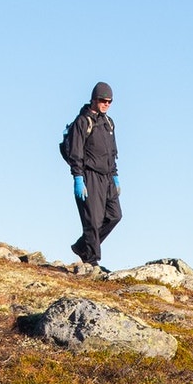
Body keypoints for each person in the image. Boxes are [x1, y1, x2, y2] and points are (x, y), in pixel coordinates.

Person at [64, 81, 120, 270]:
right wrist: (78, 178)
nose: (106, 104)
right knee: (93, 220)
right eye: (103, 100)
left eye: (109, 101)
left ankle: (82, 246)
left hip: (108, 177)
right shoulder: (83, 121)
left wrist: (115, 176)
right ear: (93, 99)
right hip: (89, 175)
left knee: (114, 216)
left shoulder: (108, 123)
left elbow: (112, 152)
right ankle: (92, 261)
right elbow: (75, 152)